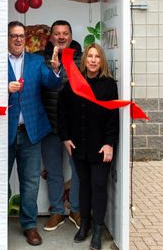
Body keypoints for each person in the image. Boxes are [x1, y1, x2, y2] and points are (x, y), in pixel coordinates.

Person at [58, 43, 119, 250]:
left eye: (97, 57)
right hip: (78, 146)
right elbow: (62, 111)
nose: (93, 60)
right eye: (90, 56)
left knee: (99, 187)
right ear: (84, 60)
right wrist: (65, 138)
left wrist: (109, 144)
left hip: (101, 147)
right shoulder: (74, 82)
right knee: (83, 186)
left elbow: (113, 117)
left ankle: (98, 230)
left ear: (102, 61)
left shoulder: (109, 84)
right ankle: (84, 226)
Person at [8, 21, 62, 246]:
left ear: (25, 38)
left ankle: (29, 225)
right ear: (8, 39)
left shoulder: (36, 60)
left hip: (31, 132)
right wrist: (4, 89)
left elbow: (51, 83)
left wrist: (56, 69)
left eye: (21, 35)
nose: (18, 39)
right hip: (4, 132)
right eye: (13, 36)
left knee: (30, 182)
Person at [36, 20, 81, 231]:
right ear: (51, 37)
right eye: (57, 34)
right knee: (54, 171)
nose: (61, 37)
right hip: (49, 125)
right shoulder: (39, 59)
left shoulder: (82, 58)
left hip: (75, 127)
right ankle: (56, 211)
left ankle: (76, 209)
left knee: (78, 170)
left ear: (70, 36)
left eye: (65, 33)